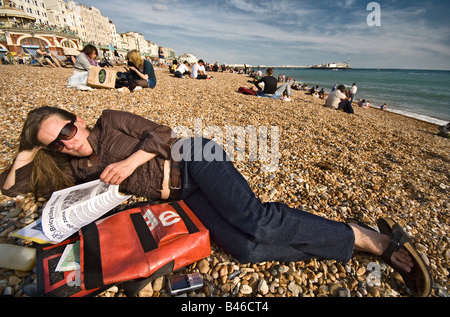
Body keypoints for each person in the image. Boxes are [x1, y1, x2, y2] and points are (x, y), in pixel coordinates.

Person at [0, 106, 432, 297]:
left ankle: (367, 238)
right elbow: (11, 189)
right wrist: (28, 150)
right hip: (184, 195)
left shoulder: (110, 122)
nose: (66, 144)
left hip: (195, 158)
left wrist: (131, 163)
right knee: (245, 249)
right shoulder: (74, 169)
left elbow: (163, 134)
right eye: (55, 144)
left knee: (257, 221)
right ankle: (345, 242)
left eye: (66, 132)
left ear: (77, 120)